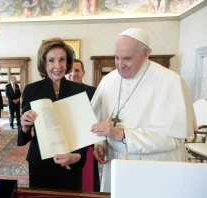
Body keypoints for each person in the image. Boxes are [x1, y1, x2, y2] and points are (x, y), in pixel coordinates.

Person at [91, 28, 196, 192]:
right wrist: (101, 143)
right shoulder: (109, 80)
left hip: (155, 168)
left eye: (127, 58)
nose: (120, 65)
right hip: (116, 164)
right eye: (116, 58)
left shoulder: (170, 82)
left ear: (146, 53)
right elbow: (98, 118)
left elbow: (175, 138)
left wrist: (122, 135)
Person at [18, 38, 88, 190]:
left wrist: (77, 156)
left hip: (71, 160)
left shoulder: (79, 90)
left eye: (62, 60)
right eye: (51, 60)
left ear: (67, 62)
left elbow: (84, 130)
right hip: (41, 162)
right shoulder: (31, 90)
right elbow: (24, 133)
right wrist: (24, 125)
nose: (57, 66)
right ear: (44, 64)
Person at [66, 58, 99, 191]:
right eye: (70, 70)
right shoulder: (57, 92)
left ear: (83, 72)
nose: (73, 73)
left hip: (87, 143)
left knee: (87, 185)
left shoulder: (94, 92)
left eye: (77, 70)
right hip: (65, 143)